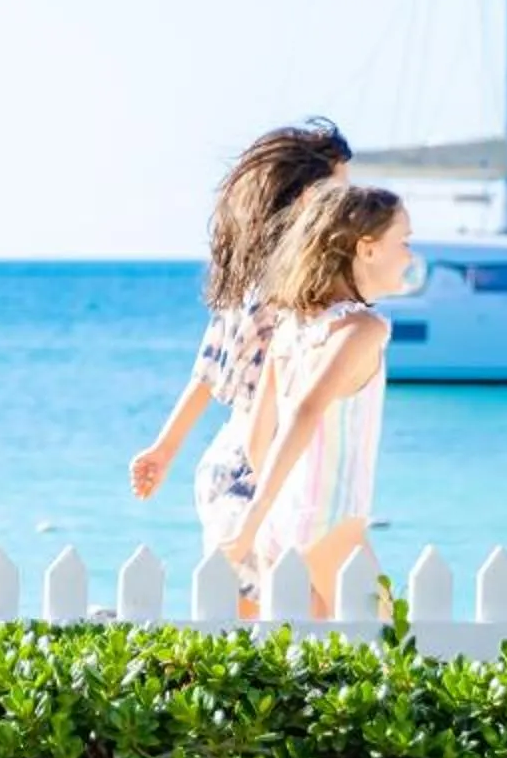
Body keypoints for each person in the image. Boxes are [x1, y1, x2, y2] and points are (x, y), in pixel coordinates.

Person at [128, 119, 354, 571]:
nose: (351, 203)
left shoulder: (259, 275)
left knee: (264, 627)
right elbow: (246, 394)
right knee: (295, 618)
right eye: (342, 189)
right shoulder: (286, 286)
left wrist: (164, 449)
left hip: (233, 467)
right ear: (311, 197)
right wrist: (280, 492)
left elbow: (208, 372)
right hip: (252, 471)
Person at [230, 181, 413, 604]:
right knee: (389, 653)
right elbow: (306, 413)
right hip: (330, 520)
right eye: (402, 242)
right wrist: (250, 522)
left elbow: (259, 438)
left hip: (282, 524)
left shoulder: (291, 330)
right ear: (366, 249)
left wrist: (264, 514)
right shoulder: (362, 329)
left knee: (306, 661)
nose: (409, 257)